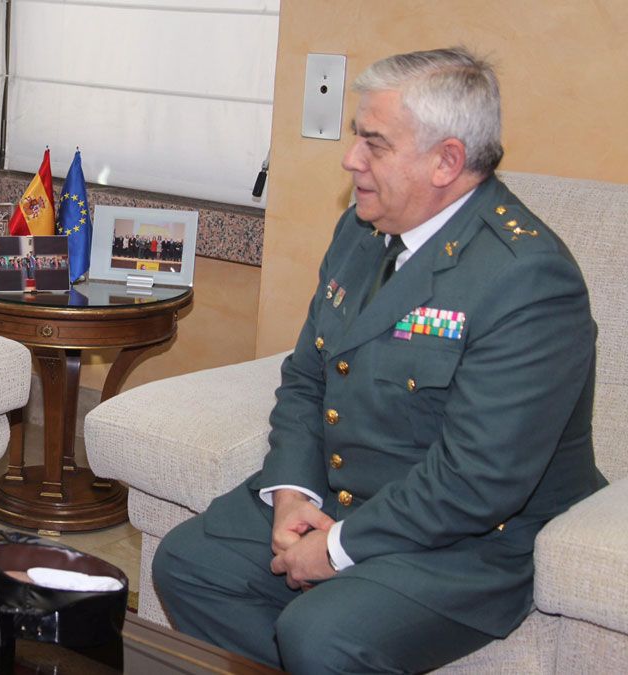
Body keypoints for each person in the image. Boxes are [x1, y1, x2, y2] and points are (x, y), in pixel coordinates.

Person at [152, 47, 605, 673]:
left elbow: (478, 481)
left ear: (447, 160)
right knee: (189, 566)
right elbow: (308, 374)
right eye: (355, 138)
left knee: (322, 636)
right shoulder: (362, 231)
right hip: (347, 495)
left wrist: (338, 547)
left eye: (375, 144)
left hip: (468, 541)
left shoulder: (527, 278)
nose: (350, 160)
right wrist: (292, 494)